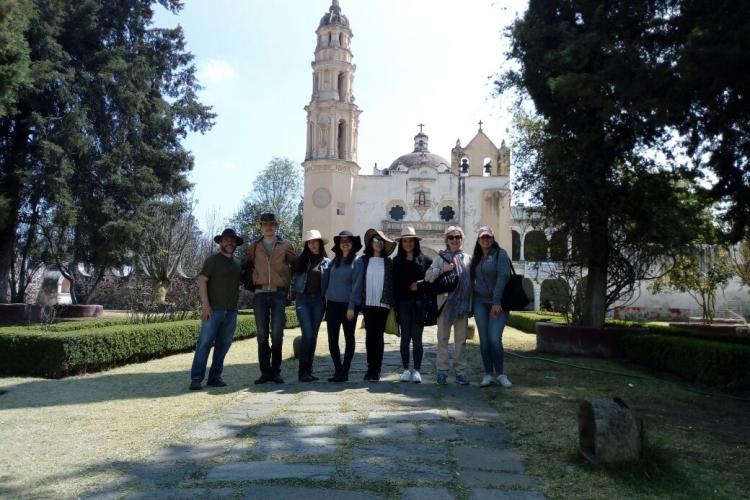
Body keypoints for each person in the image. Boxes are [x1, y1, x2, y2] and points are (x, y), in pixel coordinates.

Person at [243, 213, 297, 384]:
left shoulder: (286, 245)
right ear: (260, 226)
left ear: (276, 226)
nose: (268, 227)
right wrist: (249, 282)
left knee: (278, 334)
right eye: (265, 224)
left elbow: (296, 265)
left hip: (278, 294)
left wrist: (288, 282)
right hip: (259, 294)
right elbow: (246, 265)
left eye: (272, 224)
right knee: (261, 334)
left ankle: (276, 371)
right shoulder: (254, 246)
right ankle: (265, 372)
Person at [189, 228, 243, 390]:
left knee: (223, 345)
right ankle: (197, 378)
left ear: (236, 244)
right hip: (213, 311)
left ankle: (215, 377)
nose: (229, 243)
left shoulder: (238, 264)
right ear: (220, 242)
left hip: (231, 312)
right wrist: (205, 306)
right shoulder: (212, 260)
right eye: (226, 240)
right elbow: (202, 281)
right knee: (204, 344)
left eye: (232, 241)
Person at [425, 225, 472, 385]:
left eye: (458, 237)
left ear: (461, 239)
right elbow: (428, 276)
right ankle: (442, 371)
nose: (455, 240)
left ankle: (460, 371)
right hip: (445, 304)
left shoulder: (468, 259)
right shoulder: (440, 258)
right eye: (451, 237)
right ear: (446, 240)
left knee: (461, 341)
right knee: (443, 339)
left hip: (462, 305)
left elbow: (472, 281)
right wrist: (443, 270)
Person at [470, 226, 513, 388]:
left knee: (495, 339)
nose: (485, 239)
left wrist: (496, 302)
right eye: (482, 237)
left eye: (488, 237)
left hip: (497, 304)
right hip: (480, 303)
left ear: (493, 238)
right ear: (478, 240)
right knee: (484, 341)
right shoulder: (477, 257)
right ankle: (488, 373)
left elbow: (503, 277)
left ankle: (500, 373)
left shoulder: (500, 254)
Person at [393, 226, 432, 383]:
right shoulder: (396, 261)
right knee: (405, 337)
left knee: (417, 338)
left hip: (418, 304)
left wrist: (419, 284)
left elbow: (431, 283)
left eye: (411, 240)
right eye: (405, 241)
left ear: (416, 242)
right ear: (401, 243)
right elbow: (394, 285)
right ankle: (405, 369)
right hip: (402, 304)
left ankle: (417, 369)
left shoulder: (426, 261)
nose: (408, 243)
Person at [322, 230, 363, 382]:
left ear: (352, 244)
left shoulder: (357, 262)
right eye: (342, 241)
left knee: (349, 338)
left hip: (348, 305)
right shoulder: (334, 261)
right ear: (339, 245)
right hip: (332, 305)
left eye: (348, 240)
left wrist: (352, 306)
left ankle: (345, 370)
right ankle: (338, 369)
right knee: (332, 339)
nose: (345, 243)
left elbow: (357, 285)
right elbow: (325, 278)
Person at [292, 229, 330, 382]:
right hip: (303, 300)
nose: (312, 244)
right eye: (309, 242)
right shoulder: (301, 261)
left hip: (319, 301)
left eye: (315, 241)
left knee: (312, 336)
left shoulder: (327, 263)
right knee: (307, 334)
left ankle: (309, 371)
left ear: (320, 243)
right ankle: (302, 372)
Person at [359, 228, 396, 382]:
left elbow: (393, 283)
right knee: (369, 336)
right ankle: (370, 368)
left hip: (383, 303)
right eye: (376, 240)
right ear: (370, 243)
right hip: (367, 302)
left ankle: (377, 369)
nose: (379, 243)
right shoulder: (363, 260)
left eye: (381, 241)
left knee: (378, 336)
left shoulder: (389, 262)